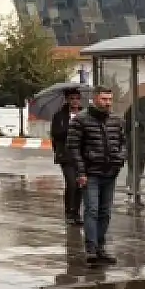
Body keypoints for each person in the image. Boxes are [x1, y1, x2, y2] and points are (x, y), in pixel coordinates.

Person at [65, 89, 127, 265]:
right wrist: (81, 172)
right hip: (90, 173)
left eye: (110, 99)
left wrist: (120, 158)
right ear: (95, 99)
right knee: (92, 209)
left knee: (105, 212)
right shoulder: (80, 120)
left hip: (110, 172)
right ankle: (91, 249)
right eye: (104, 99)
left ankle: (101, 247)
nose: (108, 102)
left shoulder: (116, 120)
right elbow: (73, 148)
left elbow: (123, 142)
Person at [50, 87, 84, 225]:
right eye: (72, 98)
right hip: (66, 155)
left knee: (80, 184)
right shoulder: (59, 116)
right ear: (67, 100)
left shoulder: (84, 114)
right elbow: (56, 134)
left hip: (82, 155)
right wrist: (70, 127)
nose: (75, 101)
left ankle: (76, 212)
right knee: (71, 184)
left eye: (77, 98)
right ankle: (69, 212)